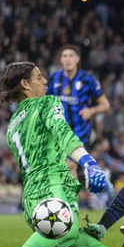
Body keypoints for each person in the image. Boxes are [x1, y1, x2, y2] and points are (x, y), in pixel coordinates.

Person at [0, 61, 113, 247]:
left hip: (30, 199)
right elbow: (63, 133)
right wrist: (89, 163)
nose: (45, 81)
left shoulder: (12, 124)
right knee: (69, 227)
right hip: (52, 187)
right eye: (39, 77)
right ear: (25, 84)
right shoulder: (47, 103)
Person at [47, 44, 110, 179]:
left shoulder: (88, 79)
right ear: (61, 60)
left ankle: (70, 199)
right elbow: (46, 103)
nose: (68, 59)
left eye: (71, 56)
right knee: (58, 168)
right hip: (58, 131)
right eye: (65, 56)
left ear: (77, 59)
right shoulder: (54, 79)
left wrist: (91, 110)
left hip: (79, 131)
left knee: (70, 165)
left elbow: (105, 105)